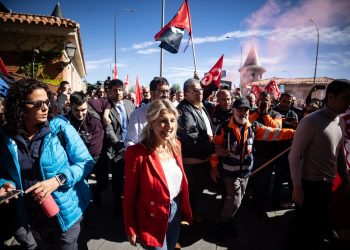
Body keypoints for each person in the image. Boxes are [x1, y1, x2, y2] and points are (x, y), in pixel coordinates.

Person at [0, 79, 93, 249]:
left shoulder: (59, 128)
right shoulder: (5, 137)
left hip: (64, 213)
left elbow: (85, 162)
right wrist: (5, 184)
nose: (45, 108)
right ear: (19, 106)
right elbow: (4, 172)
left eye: (46, 102)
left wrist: (57, 180)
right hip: (29, 217)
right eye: (37, 104)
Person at [211, 97, 295, 236]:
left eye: (246, 109)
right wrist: (214, 168)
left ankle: (227, 221)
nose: (243, 112)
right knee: (234, 201)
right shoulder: (223, 128)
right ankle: (222, 224)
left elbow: (275, 133)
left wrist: (294, 133)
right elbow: (214, 148)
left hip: (246, 173)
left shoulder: (254, 127)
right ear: (233, 110)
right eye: (240, 109)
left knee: (236, 199)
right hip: (229, 173)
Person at [288, 79, 350, 249]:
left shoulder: (341, 122)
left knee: (314, 232)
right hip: (309, 187)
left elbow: (338, 157)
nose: (348, 102)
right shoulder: (311, 121)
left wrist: (346, 180)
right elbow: (294, 156)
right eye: (345, 97)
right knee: (303, 232)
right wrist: (297, 187)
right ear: (330, 97)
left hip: (326, 187)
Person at [123, 99, 192, 249]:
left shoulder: (176, 145)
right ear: (151, 123)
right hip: (150, 217)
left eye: (172, 120)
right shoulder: (137, 154)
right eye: (163, 121)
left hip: (174, 210)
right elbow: (129, 196)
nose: (169, 126)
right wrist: (130, 226)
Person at [177, 78, 215, 220]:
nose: (199, 92)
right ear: (186, 94)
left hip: (202, 159)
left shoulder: (200, 105)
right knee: (189, 193)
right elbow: (191, 138)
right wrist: (214, 147)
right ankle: (184, 220)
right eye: (195, 90)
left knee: (196, 193)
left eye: (200, 89)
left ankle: (190, 213)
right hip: (192, 163)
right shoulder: (184, 110)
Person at [66, 91, 107, 204]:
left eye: (83, 110)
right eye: (76, 110)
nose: (80, 114)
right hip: (77, 160)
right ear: (70, 106)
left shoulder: (94, 120)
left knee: (104, 184)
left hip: (96, 158)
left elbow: (94, 145)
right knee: (82, 186)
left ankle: (96, 192)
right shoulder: (66, 120)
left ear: (87, 106)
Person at [105, 79, 135, 216]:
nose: (118, 92)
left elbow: (135, 124)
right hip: (117, 150)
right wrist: (120, 148)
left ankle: (131, 203)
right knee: (117, 180)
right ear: (109, 92)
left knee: (132, 178)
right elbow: (109, 131)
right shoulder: (106, 108)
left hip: (132, 146)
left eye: (120, 89)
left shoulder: (130, 104)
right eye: (115, 90)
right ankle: (117, 205)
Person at [125, 77, 170, 148]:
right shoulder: (138, 114)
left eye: (167, 91)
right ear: (152, 93)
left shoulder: (171, 114)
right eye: (162, 91)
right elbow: (130, 142)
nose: (165, 95)